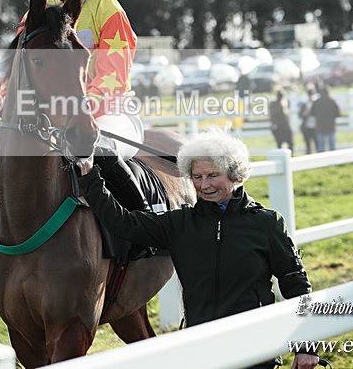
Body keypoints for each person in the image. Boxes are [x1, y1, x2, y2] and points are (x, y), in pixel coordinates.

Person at [75, 126, 319, 369]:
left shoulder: (266, 224)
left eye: (213, 175)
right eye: (197, 177)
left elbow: (296, 284)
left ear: (234, 175)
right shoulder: (179, 224)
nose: (204, 185)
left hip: (255, 348)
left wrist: (306, 347)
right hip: (202, 349)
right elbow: (124, 223)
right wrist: (90, 177)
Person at [0, 0, 149, 214]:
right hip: (56, 117)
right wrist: (10, 102)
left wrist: (76, 112)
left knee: (103, 149)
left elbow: (114, 76)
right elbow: (15, 72)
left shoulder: (106, 6)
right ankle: (4, 215)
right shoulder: (34, 15)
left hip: (111, 112)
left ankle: (146, 223)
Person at [310, 86, 340, 152]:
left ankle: (321, 160)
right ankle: (333, 159)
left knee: (321, 147)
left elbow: (312, 113)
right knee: (332, 146)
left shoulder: (317, 102)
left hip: (320, 125)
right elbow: (338, 114)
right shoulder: (332, 102)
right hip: (330, 125)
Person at [298, 85, 317, 155]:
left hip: (315, 126)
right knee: (308, 145)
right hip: (307, 127)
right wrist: (304, 113)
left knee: (317, 144)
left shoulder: (316, 103)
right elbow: (300, 115)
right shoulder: (304, 104)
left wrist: (310, 112)